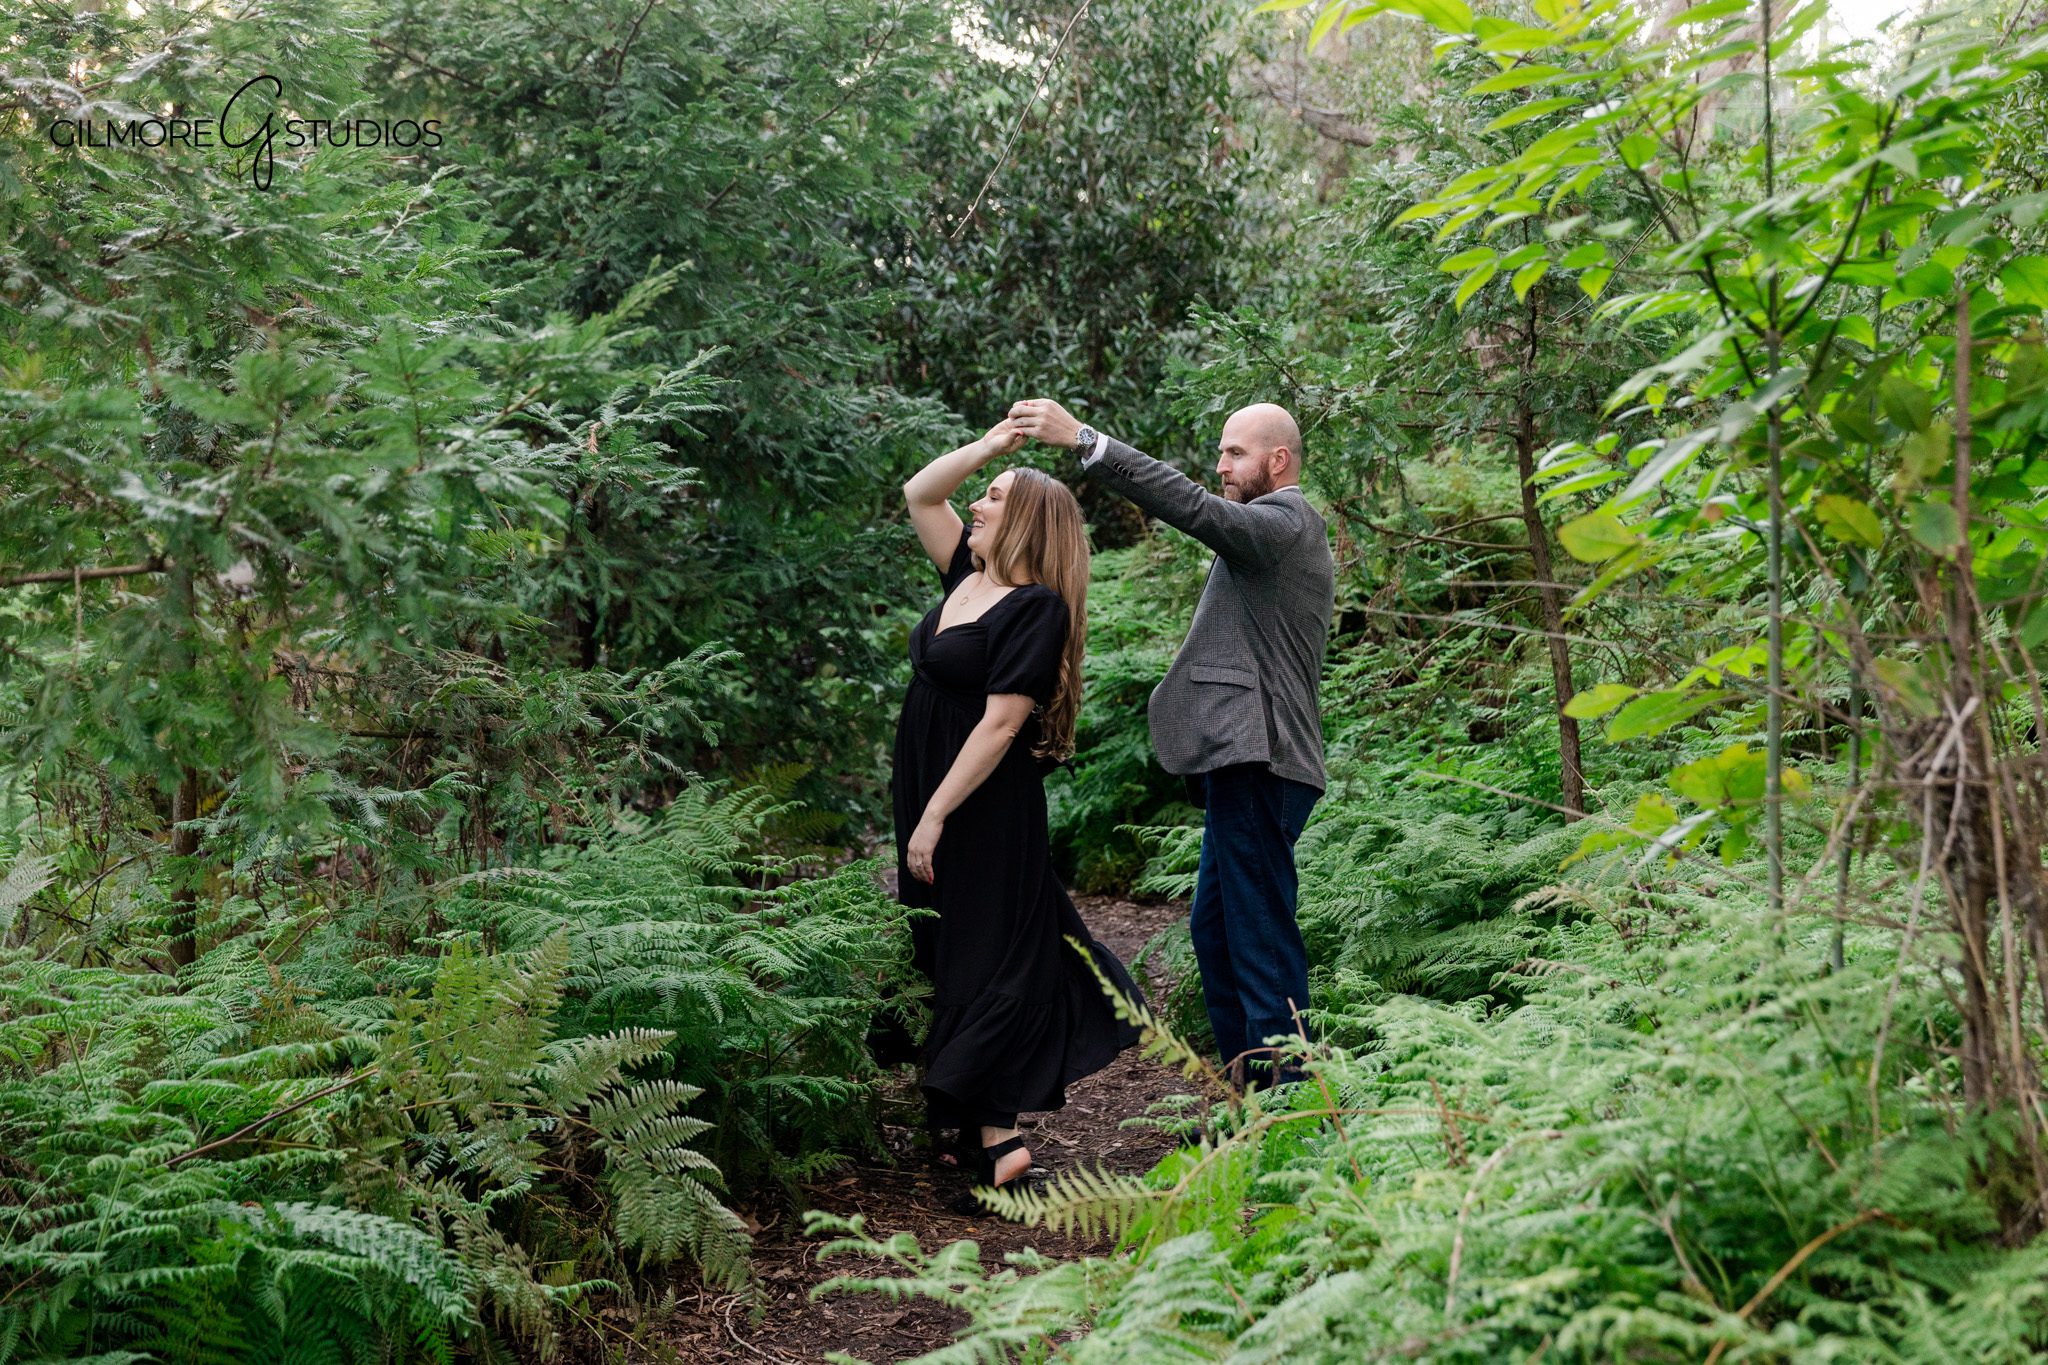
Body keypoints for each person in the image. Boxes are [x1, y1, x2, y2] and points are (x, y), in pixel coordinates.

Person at [1008, 398, 1333, 1088]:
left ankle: (1292, 1117)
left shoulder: (1284, 521)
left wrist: (1088, 441)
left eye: (1235, 453)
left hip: (1262, 759)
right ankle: (1253, 1098)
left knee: (1259, 942)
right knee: (1217, 933)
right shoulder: (1270, 535)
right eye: (1219, 451)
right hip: (1244, 763)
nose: (1220, 465)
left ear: (1279, 460)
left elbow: (1194, 508)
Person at [893, 418, 1141, 1206]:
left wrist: (935, 816)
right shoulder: (962, 580)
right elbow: (919, 491)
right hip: (929, 786)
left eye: (994, 500)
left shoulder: (1035, 609)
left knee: (990, 952)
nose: (977, 509)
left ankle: (997, 1137)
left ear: (1029, 520)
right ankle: (975, 1130)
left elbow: (1001, 724)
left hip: (980, 803)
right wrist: (996, 449)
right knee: (944, 941)